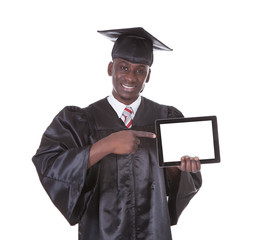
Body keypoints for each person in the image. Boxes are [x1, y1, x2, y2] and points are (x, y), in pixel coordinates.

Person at [32, 27, 202, 240]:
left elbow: (178, 185)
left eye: (140, 70)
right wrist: (106, 145)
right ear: (110, 68)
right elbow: (49, 164)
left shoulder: (167, 118)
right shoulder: (80, 120)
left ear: (148, 75)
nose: (131, 77)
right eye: (123, 67)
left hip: (153, 231)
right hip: (101, 232)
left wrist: (179, 170)